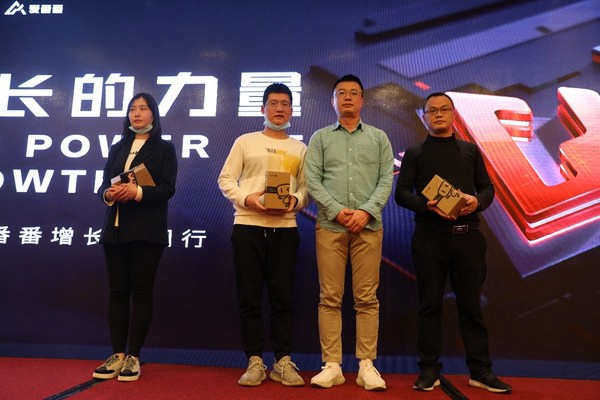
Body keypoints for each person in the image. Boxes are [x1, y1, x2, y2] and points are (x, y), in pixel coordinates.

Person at [394, 92, 512, 394]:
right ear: (424, 117)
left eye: (444, 109)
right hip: (429, 238)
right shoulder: (415, 152)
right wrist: (425, 205)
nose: (438, 114)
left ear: (453, 113)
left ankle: (480, 371)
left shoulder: (470, 150)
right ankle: (428, 370)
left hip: (467, 236)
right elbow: (401, 194)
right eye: (432, 110)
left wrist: (477, 201)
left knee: (471, 307)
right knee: (429, 305)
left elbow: (487, 188)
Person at [304, 74, 394, 391]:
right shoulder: (320, 138)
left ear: (362, 100)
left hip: (368, 227)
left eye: (353, 93)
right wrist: (336, 210)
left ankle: (366, 366)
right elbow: (312, 180)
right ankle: (332, 365)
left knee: (367, 299)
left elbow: (386, 179)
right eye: (341, 93)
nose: (347, 97)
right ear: (333, 101)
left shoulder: (379, 138)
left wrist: (366, 211)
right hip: (330, 227)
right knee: (329, 297)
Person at [218, 83, 308, 387]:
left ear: (292, 110)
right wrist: (247, 199)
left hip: (285, 230)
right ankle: (254, 360)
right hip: (247, 226)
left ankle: (283, 361)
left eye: (285, 104)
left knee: (283, 298)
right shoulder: (245, 141)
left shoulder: (300, 148)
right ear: (262, 109)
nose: (279, 109)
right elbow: (226, 179)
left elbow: (307, 188)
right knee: (249, 297)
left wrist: (296, 200)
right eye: (273, 103)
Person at [93, 93, 177, 382]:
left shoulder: (164, 148)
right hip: (114, 229)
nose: (137, 113)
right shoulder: (118, 147)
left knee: (141, 293)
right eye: (132, 109)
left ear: (153, 114)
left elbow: (167, 189)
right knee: (117, 293)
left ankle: (134, 356)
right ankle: (117, 354)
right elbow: (103, 185)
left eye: (143, 108)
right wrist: (109, 193)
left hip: (146, 231)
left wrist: (137, 192)